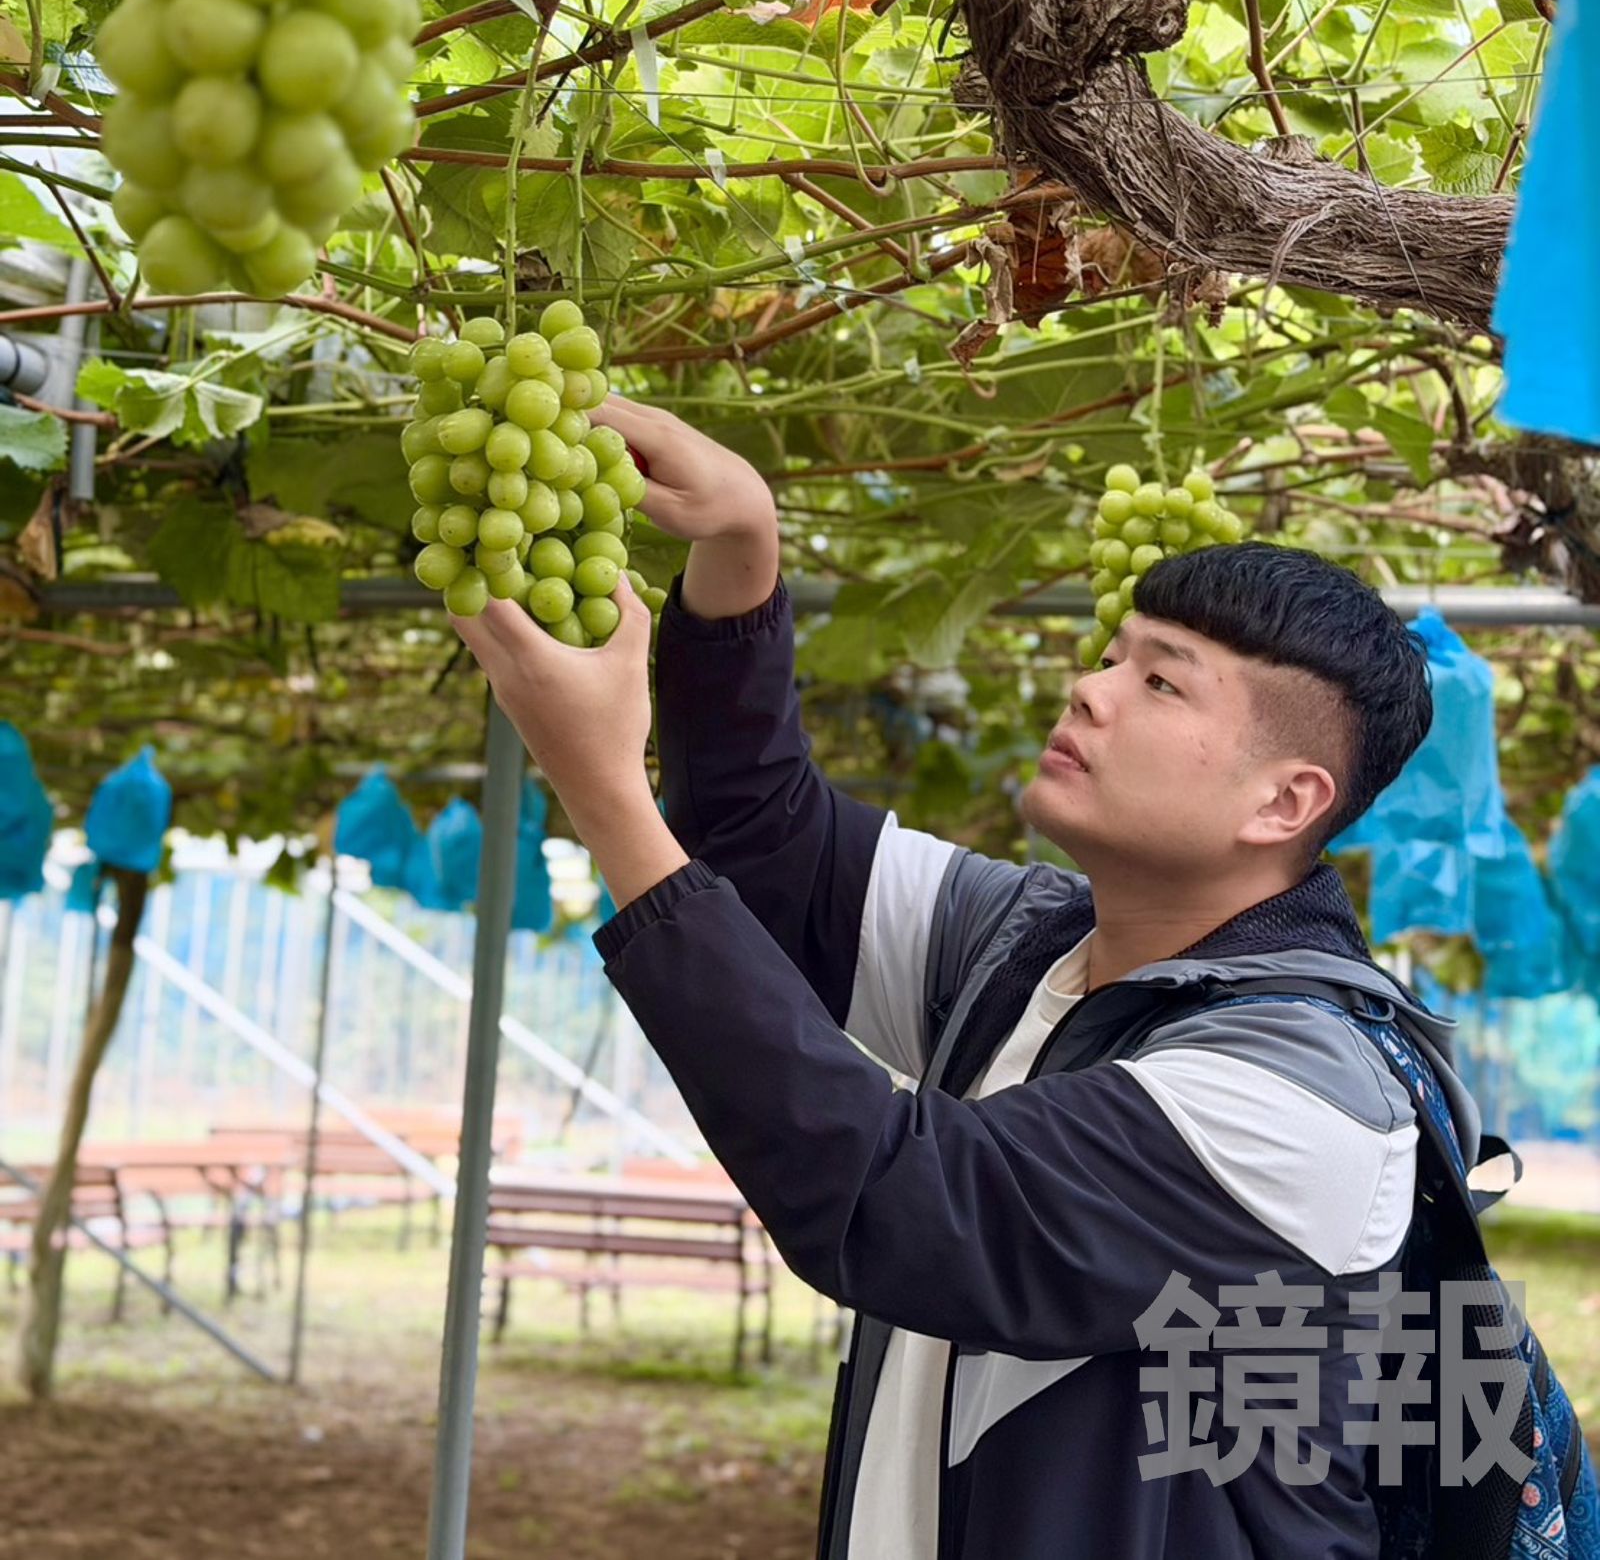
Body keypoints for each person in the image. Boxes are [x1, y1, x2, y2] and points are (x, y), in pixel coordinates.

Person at [453, 396, 1488, 1560]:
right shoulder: (1036, 946)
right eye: (1110, 656)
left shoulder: (1300, 1097)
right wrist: (741, 551)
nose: (1088, 688)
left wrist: (604, 793)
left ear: (1284, 800)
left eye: (1162, 681)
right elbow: (763, 837)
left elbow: (897, 1205)